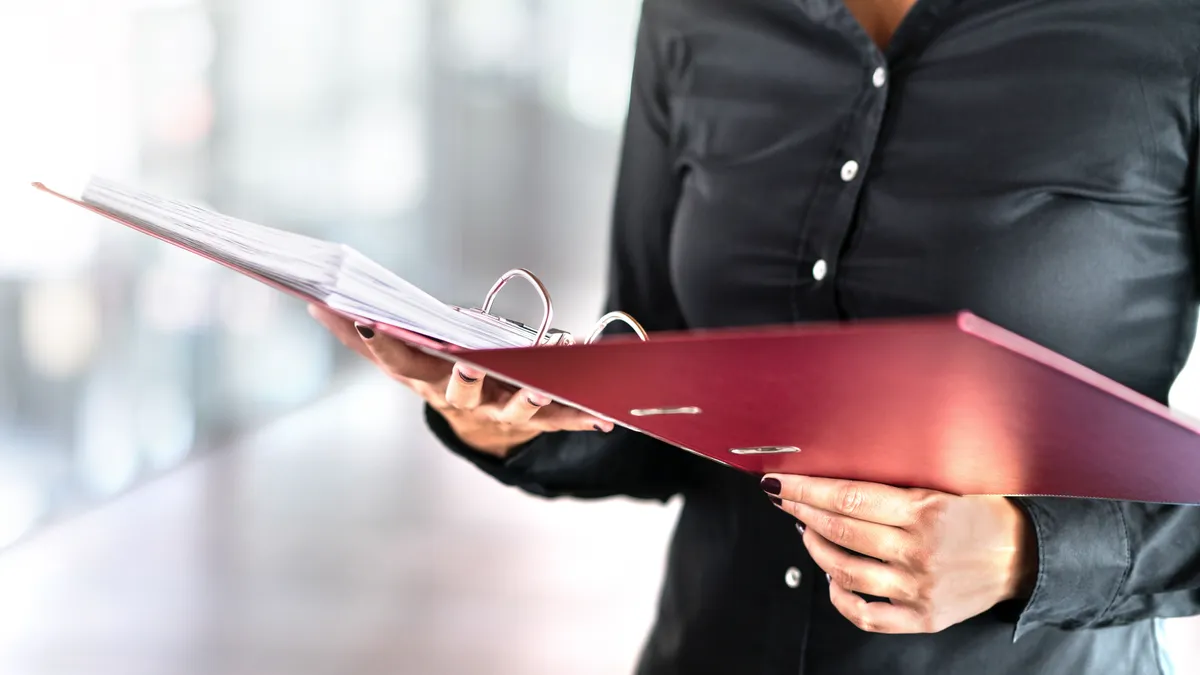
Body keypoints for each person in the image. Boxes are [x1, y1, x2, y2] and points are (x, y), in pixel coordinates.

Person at [309, 0, 1200, 672]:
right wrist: (505, 418)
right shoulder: (694, 15)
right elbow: (656, 404)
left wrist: (1023, 554)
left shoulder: (1170, 30)